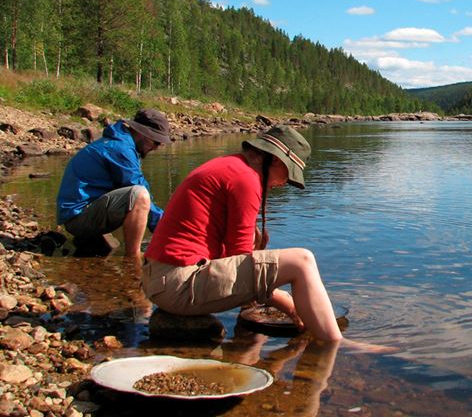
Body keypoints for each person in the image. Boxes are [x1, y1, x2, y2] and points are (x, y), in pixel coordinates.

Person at [141, 125, 344, 341]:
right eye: (287, 174)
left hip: (163, 282)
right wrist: (283, 301)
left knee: (256, 240)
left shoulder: (231, 167)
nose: (284, 183)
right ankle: (335, 344)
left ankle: (248, 349)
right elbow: (237, 258)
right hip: (178, 285)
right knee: (302, 261)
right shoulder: (245, 179)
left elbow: (237, 257)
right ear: (274, 160)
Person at [56, 108, 170, 262]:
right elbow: (139, 192)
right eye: (155, 141)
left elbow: (138, 182)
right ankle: (132, 259)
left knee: (140, 194)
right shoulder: (120, 149)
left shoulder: (121, 143)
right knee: (139, 196)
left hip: (80, 215)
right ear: (142, 132)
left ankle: (92, 243)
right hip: (77, 219)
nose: (156, 147)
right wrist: (168, 229)